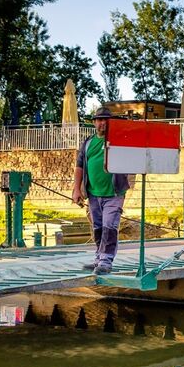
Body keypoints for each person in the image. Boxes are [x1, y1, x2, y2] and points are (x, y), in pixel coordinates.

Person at [72, 107, 135, 273]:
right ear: (94, 123)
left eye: (106, 120)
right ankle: (99, 258)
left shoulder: (118, 140)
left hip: (114, 193)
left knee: (109, 226)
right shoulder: (88, 143)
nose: (103, 123)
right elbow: (79, 167)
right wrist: (76, 190)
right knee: (98, 228)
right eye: (99, 120)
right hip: (93, 194)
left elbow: (133, 149)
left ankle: (106, 262)